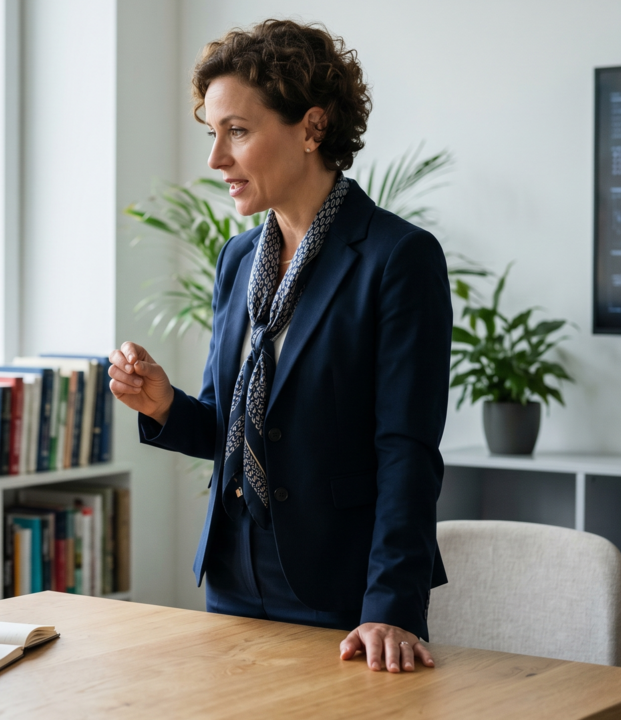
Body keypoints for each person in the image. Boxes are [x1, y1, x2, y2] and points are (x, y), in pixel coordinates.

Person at [109, 20, 451, 674]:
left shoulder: (397, 258)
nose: (216, 159)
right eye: (212, 134)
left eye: (237, 131)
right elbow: (226, 425)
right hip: (234, 577)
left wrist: (393, 605)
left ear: (312, 128)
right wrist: (161, 405)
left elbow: (406, 450)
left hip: (342, 593)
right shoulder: (238, 259)